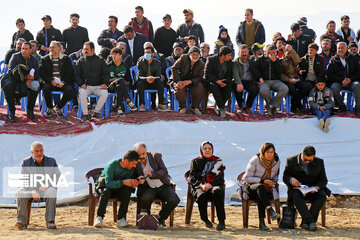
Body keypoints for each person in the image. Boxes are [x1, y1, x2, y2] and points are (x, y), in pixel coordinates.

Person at [283, 145, 331, 231]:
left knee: (322, 196)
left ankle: (306, 222)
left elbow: (323, 180)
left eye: (310, 160)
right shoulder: (291, 161)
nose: (307, 162)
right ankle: (311, 221)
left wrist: (316, 187)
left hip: (313, 189)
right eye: (305, 159)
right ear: (301, 154)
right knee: (295, 196)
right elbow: (285, 176)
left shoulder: (319, 162)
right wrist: (291, 179)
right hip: (298, 189)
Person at [15, 141, 61, 230]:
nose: (39, 153)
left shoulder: (51, 161)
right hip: (30, 189)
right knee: (20, 191)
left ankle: (50, 221)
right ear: (32, 153)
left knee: (52, 191)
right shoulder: (26, 162)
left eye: (41, 151)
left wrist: (48, 184)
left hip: (45, 190)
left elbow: (57, 175)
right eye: (37, 151)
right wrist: (32, 190)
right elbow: (24, 179)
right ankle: (22, 221)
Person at [134, 142, 180, 227]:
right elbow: (133, 176)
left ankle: (160, 218)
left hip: (163, 185)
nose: (141, 157)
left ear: (146, 150)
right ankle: (146, 221)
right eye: (138, 155)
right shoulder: (135, 161)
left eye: (143, 153)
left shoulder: (155, 156)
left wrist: (152, 174)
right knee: (146, 197)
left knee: (174, 199)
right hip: (148, 187)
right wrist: (138, 179)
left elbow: (164, 171)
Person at [94, 150, 143, 228]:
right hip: (104, 188)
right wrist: (123, 182)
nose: (134, 166)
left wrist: (136, 181)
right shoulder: (112, 165)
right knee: (106, 191)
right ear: (126, 161)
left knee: (127, 191)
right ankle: (99, 217)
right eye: (133, 164)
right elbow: (108, 184)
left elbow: (137, 177)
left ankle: (121, 219)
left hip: (118, 189)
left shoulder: (133, 167)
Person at [242, 142, 281, 231]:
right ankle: (270, 210)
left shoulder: (276, 161)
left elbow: (276, 175)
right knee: (260, 187)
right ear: (263, 152)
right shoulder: (255, 160)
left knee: (261, 193)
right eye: (267, 152)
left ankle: (262, 224)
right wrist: (262, 181)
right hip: (251, 188)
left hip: (266, 189)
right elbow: (246, 178)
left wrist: (273, 182)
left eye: (272, 152)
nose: (270, 154)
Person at [189, 141, 226, 231]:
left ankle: (221, 221)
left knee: (217, 191)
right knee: (202, 195)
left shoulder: (218, 162)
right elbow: (192, 178)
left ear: (212, 150)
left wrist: (211, 184)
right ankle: (205, 219)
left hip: (214, 185)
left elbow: (221, 179)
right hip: (200, 187)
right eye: (205, 148)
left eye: (209, 148)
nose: (207, 150)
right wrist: (202, 185)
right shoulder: (196, 161)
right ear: (201, 150)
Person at [1, 42, 40, 121]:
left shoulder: (34, 59)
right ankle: (12, 111)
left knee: (36, 85)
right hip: (14, 79)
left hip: (29, 80)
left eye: (26, 49)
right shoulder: (15, 56)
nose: (24, 51)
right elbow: (10, 72)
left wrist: (30, 79)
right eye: (22, 48)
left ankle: (30, 110)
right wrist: (25, 77)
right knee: (7, 86)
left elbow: (37, 74)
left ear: (30, 50)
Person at [75, 41, 109, 121]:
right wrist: (81, 84)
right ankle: (85, 115)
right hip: (86, 86)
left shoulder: (100, 60)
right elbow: (77, 75)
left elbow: (106, 74)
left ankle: (96, 113)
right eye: (84, 49)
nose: (85, 51)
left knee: (105, 93)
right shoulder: (80, 61)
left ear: (93, 50)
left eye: (87, 49)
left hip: (98, 86)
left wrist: (105, 83)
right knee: (82, 93)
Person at [251, 44, 288, 115]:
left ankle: (271, 106)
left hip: (275, 81)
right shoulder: (259, 59)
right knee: (263, 91)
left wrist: (275, 62)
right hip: (264, 81)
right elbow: (253, 68)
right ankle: (270, 106)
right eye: (269, 53)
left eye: (273, 53)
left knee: (285, 88)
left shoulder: (278, 60)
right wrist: (259, 78)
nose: (271, 54)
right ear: (265, 52)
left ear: (275, 52)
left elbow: (280, 71)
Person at [40, 41, 74, 118]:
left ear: (59, 48)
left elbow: (70, 72)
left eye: (53, 47)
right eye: (50, 47)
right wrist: (51, 81)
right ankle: (49, 108)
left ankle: (58, 107)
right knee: (46, 89)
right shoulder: (45, 59)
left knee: (69, 90)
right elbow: (42, 73)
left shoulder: (65, 59)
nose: (51, 49)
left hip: (62, 82)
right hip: (50, 82)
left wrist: (63, 82)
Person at [169, 46, 206, 114]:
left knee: (200, 86)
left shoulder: (201, 63)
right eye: (193, 54)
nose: (195, 56)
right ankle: (183, 107)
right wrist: (179, 82)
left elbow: (200, 77)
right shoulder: (184, 57)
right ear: (189, 54)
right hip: (180, 79)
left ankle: (195, 107)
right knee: (179, 88)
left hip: (191, 82)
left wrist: (190, 82)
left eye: (197, 54)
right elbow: (174, 68)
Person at [327, 42, 360, 116]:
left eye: (342, 48)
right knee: (334, 87)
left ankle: (358, 108)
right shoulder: (333, 59)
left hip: (351, 82)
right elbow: (330, 75)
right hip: (339, 82)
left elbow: (358, 72)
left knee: (357, 85)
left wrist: (350, 79)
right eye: (339, 48)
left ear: (346, 49)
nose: (340, 50)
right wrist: (341, 80)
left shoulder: (353, 58)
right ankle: (341, 106)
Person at [136, 46, 168, 111]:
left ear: (153, 54)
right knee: (139, 84)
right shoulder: (140, 62)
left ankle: (161, 104)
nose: (146, 54)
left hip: (154, 82)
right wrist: (147, 78)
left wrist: (153, 78)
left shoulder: (157, 62)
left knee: (160, 83)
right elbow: (139, 76)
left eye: (148, 52)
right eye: (145, 52)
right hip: (144, 82)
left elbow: (158, 75)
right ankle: (142, 104)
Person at [204, 46, 233, 118]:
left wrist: (225, 82)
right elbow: (207, 74)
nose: (230, 57)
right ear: (223, 55)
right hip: (211, 81)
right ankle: (222, 108)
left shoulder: (229, 62)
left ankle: (218, 104)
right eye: (229, 55)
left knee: (229, 87)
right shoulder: (211, 60)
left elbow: (230, 75)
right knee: (215, 87)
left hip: (223, 82)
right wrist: (216, 81)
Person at [107, 47, 137, 117]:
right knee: (120, 80)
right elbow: (105, 79)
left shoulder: (125, 67)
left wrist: (122, 82)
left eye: (116, 54)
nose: (114, 56)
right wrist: (115, 80)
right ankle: (128, 100)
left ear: (120, 56)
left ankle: (119, 109)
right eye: (112, 54)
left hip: (121, 87)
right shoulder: (108, 66)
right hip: (111, 87)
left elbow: (129, 82)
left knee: (119, 86)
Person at [296, 43, 325, 111]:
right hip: (306, 80)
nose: (310, 51)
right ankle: (297, 101)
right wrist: (300, 71)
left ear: (316, 51)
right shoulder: (303, 59)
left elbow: (321, 71)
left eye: (312, 50)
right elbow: (298, 69)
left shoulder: (320, 59)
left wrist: (318, 81)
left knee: (319, 87)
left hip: (316, 79)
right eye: (309, 50)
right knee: (308, 87)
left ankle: (316, 107)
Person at [232, 44, 259, 114]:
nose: (244, 54)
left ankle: (248, 106)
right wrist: (239, 83)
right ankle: (240, 106)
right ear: (239, 52)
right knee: (237, 88)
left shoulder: (252, 60)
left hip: (249, 80)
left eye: (245, 52)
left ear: (248, 52)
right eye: (242, 52)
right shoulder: (235, 61)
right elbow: (235, 74)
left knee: (255, 89)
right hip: (239, 80)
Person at [279, 44, 302, 112]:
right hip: (287, 81)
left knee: (306, 86)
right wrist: (289, 80)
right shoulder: (281, 61)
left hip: (296, 79)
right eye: (288, 53)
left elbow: (298, 61)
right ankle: (295, 105)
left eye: (291, 53)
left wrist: (291, 50)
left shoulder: (294, 60)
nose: (289, 55)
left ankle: (295, 101)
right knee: (292, 88)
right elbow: (281, 75)